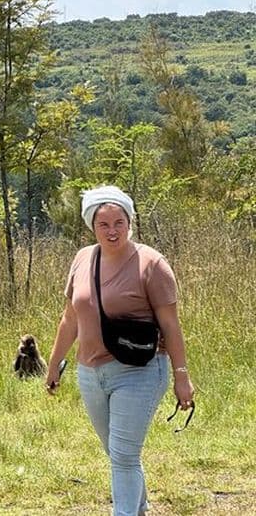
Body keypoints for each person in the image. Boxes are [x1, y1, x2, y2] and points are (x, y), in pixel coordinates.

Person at [45, 185, 195, 516]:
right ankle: (138, 510)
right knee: (116, 454)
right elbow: (70, 318)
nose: (113, 231)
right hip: (90, 374)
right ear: (92, 226)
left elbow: (171, 326)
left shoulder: (152, 265)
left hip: (139, 371)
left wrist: (182, 377)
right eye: (104, 224)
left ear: (130, 222)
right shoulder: (83, 259)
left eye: (119, 223)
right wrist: (54, 364)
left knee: (125, 455)